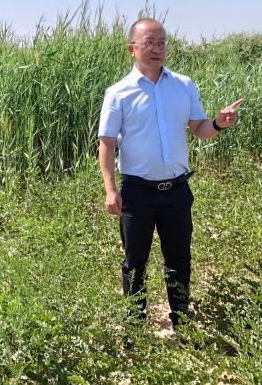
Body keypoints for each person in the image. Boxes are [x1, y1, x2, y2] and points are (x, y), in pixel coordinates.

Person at [98, 18, 242, 332]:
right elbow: (106, 144)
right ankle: (135, 330)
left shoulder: (183, 85)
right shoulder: (118, 93)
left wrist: (218, 123)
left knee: (179, 260)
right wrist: (110, 189)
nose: (157, 49)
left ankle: (182, 324)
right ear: (132, 49)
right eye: (149, 43)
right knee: (135, 264)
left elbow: (200, 129)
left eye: (161, 43)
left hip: (176, 191)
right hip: (137, 192)